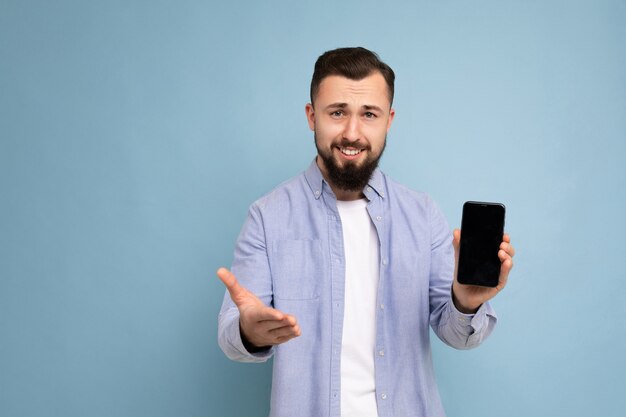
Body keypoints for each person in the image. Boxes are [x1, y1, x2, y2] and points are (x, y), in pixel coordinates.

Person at [217, 47, 515, 417]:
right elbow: (233, 337)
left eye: (368, 114)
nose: (352, 133)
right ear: (312, 116)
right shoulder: (267, 216)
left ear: (388, 120)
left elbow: (457, 334)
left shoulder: (422, 215)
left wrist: (466, 301)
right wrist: (250, 333)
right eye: (337, 112)